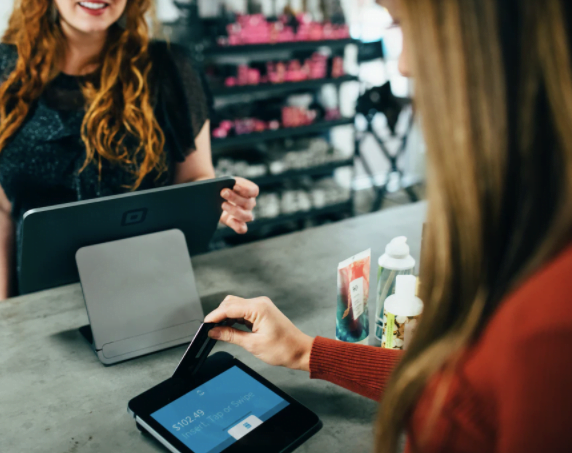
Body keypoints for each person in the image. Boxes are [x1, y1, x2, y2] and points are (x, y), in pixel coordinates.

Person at [205, 0, 572, 452]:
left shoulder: (548, 325)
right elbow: (460, 385)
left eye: (405, 25)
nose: (404, 64)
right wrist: (306, 351)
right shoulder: (526, 240)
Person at [0, 0, 259, 303]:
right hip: (40, 298)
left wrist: (219, 198)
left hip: (151, 288)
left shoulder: (169, 67)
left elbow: (194, 177)